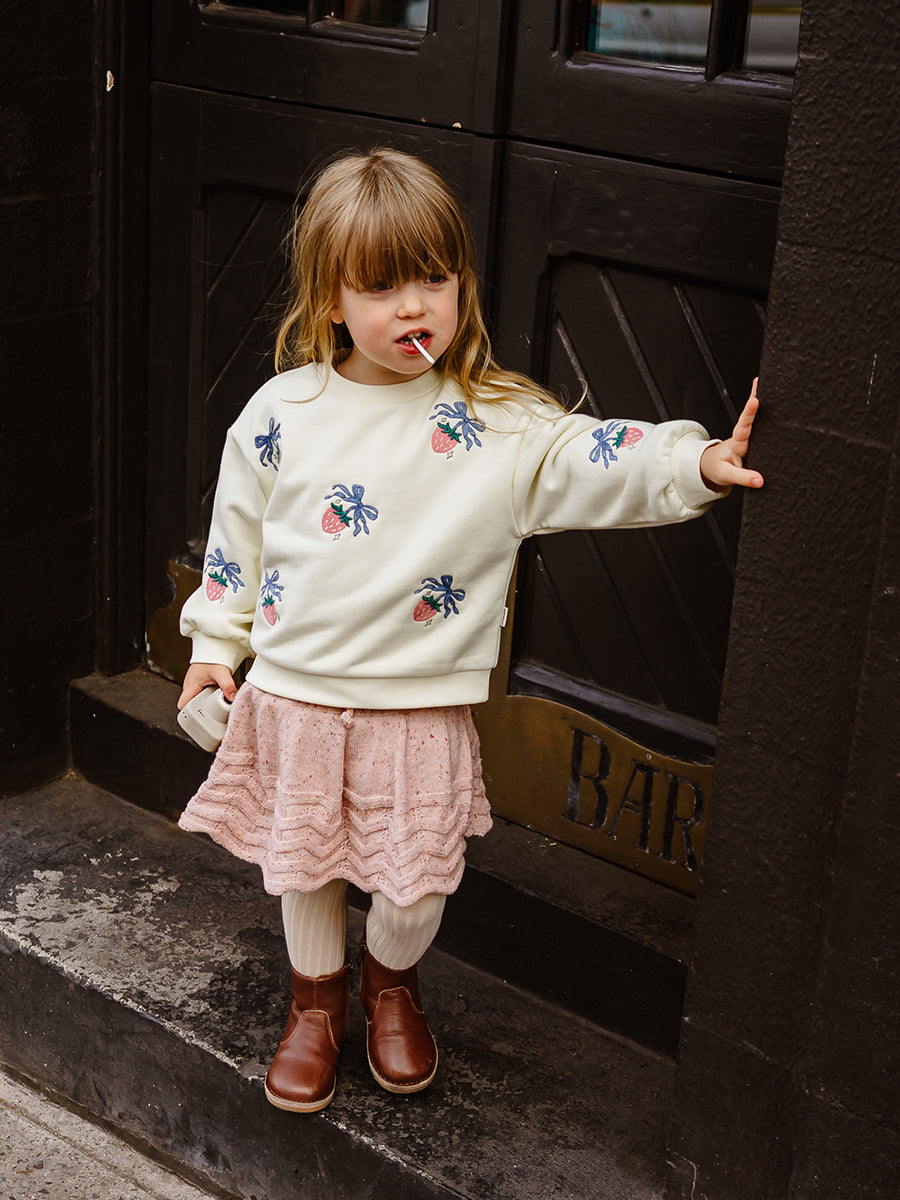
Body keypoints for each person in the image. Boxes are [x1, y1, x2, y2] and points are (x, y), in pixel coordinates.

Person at [176, 147, 764, 1115]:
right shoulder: (283, 413)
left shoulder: (497, 421)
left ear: (463, 286)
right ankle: (315, 1005)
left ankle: (390, 985)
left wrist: (693, 463)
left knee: (416, 886)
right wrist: (211, 655)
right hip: (298, 696)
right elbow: (234, 549)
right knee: (306, 867)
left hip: (419, 708)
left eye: (434, 279)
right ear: (330, 299)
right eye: (382, 286)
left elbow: (594, 456)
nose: (414, 306)